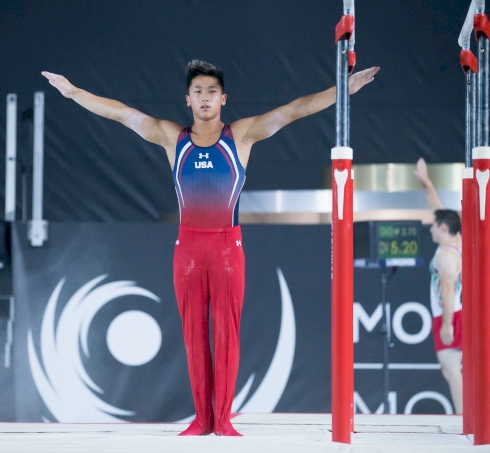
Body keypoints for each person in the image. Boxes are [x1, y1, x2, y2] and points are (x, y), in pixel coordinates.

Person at [43, 60, 379, 436]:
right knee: (194, 336)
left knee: (227, 333)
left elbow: (293, 110)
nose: (205, 98)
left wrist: (341, 90)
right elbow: (122, 114)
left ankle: (223, 420)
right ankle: (202, 419)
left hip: (226, 247)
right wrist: (73, 93)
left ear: (223, 98)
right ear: (188, 100)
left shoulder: (243, 136)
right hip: (187, 248)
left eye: (211, 92)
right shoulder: (173, 138)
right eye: (198, 92)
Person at [414, 158, 463, 414]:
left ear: (443, 228)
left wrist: (446, 323)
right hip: (456, 310)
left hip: (451, 312)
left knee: (451, 367)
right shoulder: (457, 240)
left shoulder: (445, 255)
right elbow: (439, 208)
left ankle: (465, 419)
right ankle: (469, 417)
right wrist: (426, 182)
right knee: (453, 368)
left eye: (434, 225)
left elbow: (447, 287)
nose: (430, 228)